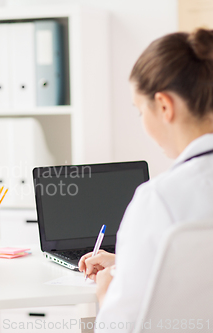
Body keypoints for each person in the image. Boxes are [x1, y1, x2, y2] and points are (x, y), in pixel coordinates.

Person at [78, 28, 213, 332]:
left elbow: (120, 326)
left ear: (164, 106)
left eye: (140, 111)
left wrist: (108, 292)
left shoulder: (159, 199)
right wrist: (129, 265)